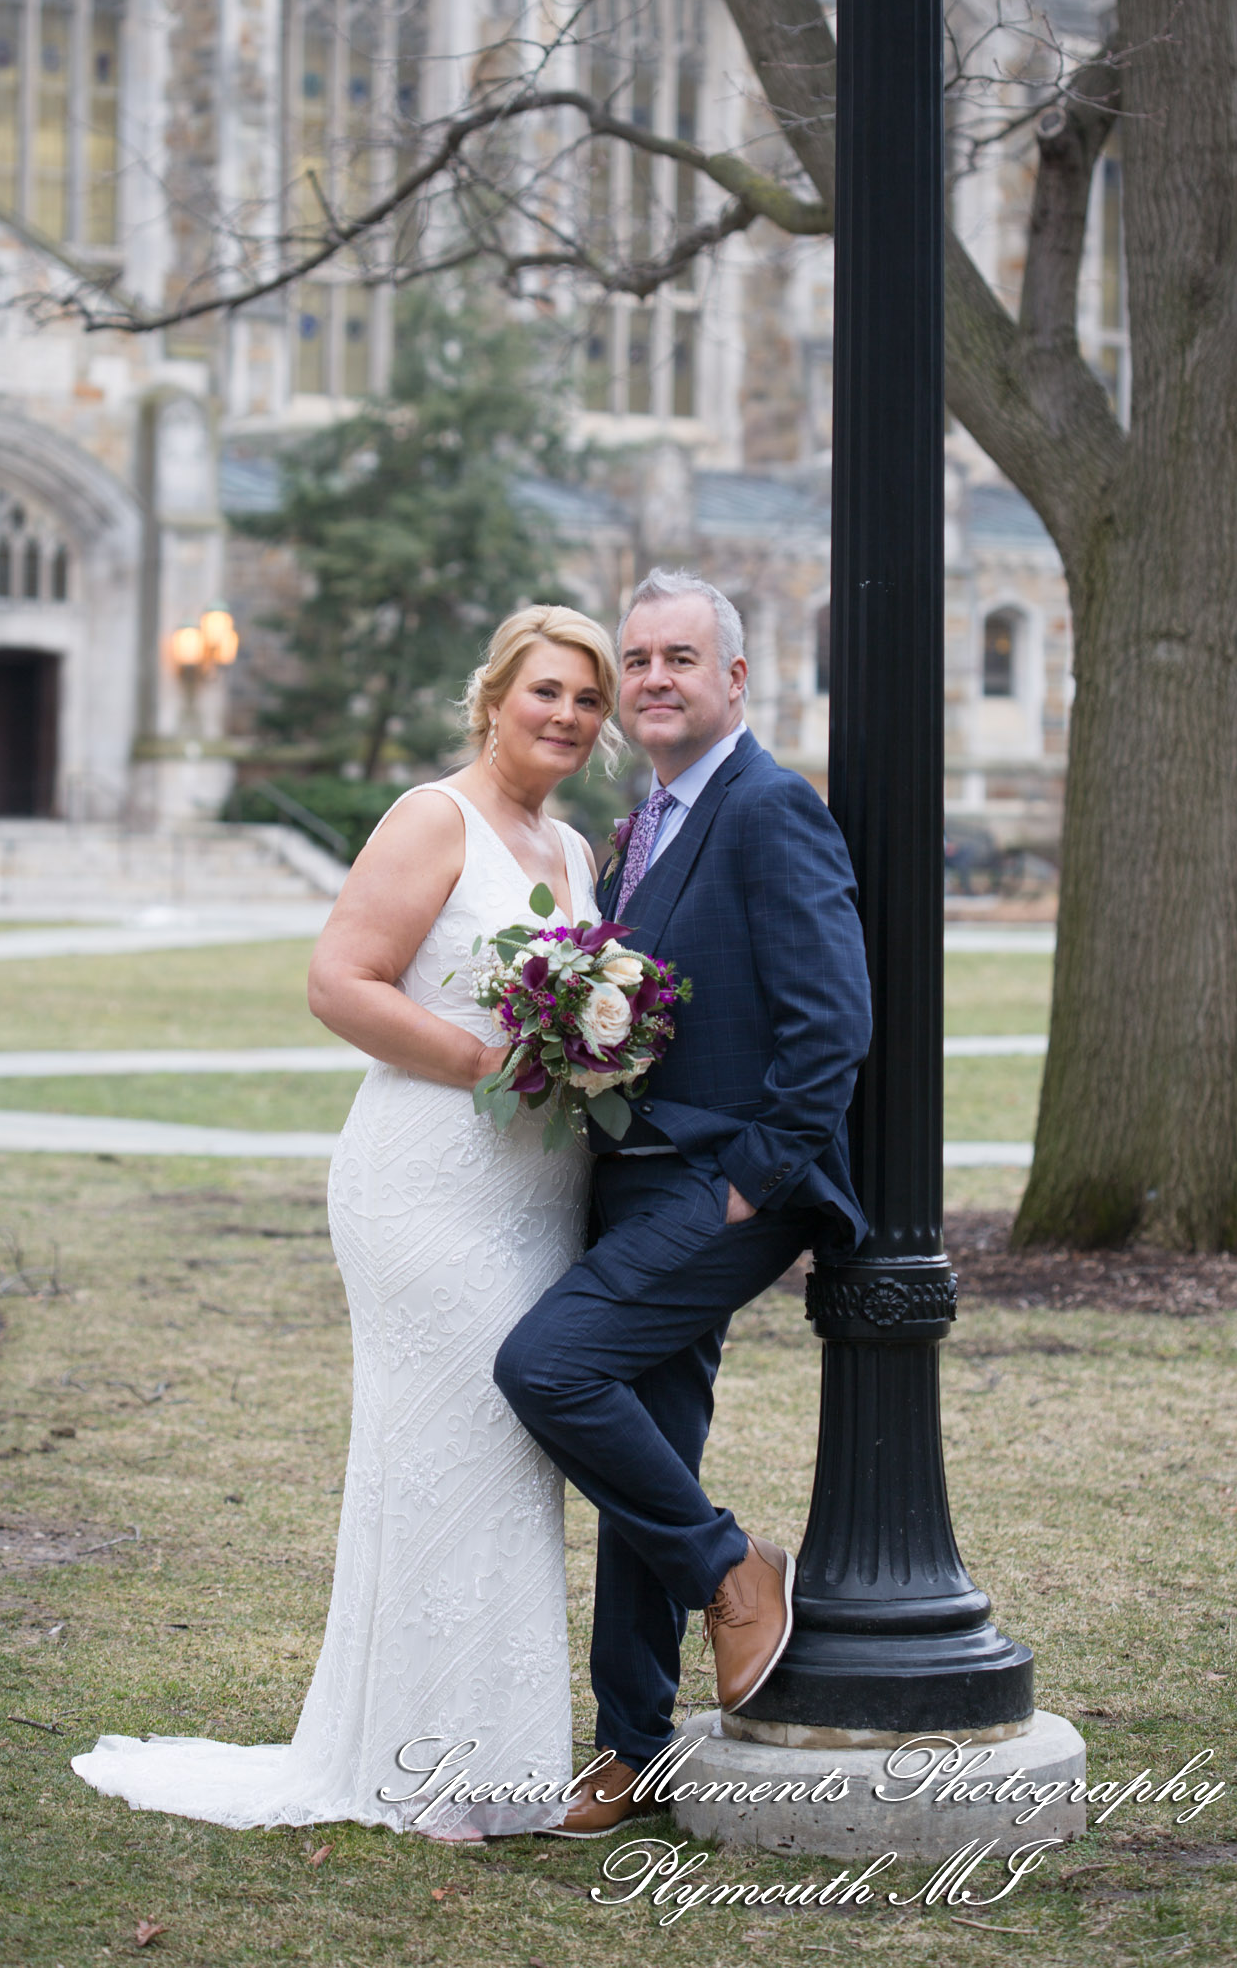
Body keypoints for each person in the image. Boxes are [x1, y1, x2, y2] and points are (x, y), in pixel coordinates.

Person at [71, 604, 617, 1836]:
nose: (568, 718)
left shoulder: (577, 853)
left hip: (539, 1197)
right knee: (446, 1454)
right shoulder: (437, 818)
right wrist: (488, 1063)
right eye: (546, 692)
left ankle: (489, 1755)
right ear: (493, 698)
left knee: (507, 1461)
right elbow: (339, 982)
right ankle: (432, 1774)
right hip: (427, 1183)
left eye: (589, 702)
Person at [493, 568, 873, 1835]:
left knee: (549, 1367)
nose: (653, 679)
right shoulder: (638, 829)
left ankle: (732, 1567)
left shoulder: (769, 809)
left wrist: (746, 1188)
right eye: (637, 660)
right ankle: (637, 1745)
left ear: (734, 680)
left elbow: (832, 1031)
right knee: (645, 1440)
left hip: (721, 1193)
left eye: (677, 659)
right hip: (634, 1184)